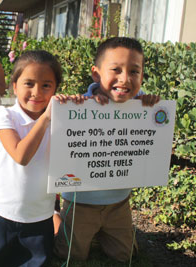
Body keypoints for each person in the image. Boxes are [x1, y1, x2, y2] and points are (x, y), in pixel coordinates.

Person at [0, 50, 86, 266]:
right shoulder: (5, 115)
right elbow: (20, 155)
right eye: (29, 83)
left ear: (55, 89)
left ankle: (54, 219)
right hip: (3, 211)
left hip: (38, 216)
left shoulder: (61, 119)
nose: (37, 92)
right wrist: (46, 119)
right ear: (14, 86)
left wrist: (80, 109)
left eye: (46, 85)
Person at [53, 37, 160, 262]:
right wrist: (73, 102)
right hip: (81, 203)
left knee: (125, 256)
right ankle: (57, 218)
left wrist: (150, 105)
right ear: (96, 74)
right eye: (116, 70)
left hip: (119, 203)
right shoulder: (81, 105)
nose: (125, 79)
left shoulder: (142, 107)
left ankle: (102, 233)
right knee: (71, 256)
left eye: (134, 71)